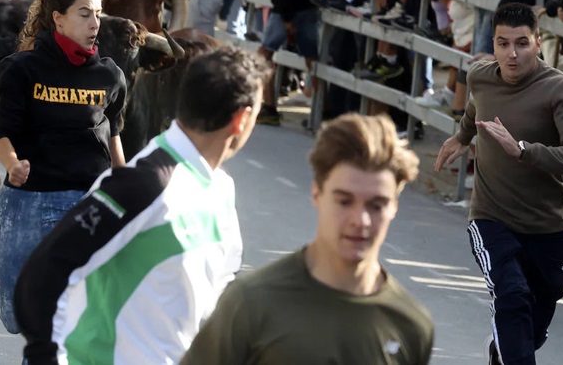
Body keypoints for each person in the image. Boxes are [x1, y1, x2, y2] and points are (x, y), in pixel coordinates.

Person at [14, 46, 267, 364]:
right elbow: (41, 276)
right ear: (242, 119)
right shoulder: (145, 184)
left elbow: (219, 306)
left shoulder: (220, 190)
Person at [184, 113, 434, 364]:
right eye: (344, 201)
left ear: (394, 207)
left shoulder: (411, 325)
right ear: (317, 194)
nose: (360, 220)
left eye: (376, 205)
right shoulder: (252, 303)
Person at [0, 0, 128, 334]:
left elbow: (113, 138)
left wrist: (128, 189)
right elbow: (2, 133)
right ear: (58, 19)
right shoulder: (22, 69)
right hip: (28, 205)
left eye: (98, 14)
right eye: (84, 14)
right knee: (18, 317)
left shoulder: (110, 76)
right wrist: (12, 165)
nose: (95, 23)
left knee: (59, 319)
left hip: (88, 207)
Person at [435, 3, 563, 365]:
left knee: (532, 326)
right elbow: (476, 106)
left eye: (522, 43)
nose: (512, 54)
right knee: (510, 295)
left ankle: (501, 352)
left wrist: (522, 150)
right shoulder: (480, 75)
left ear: (539, 43)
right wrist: (462, 136)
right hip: (492, 217)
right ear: (492, 45)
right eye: (503, 43)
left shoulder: (557, 89)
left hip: (548, 225)